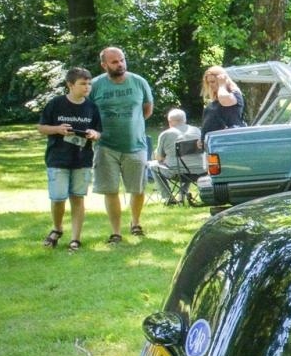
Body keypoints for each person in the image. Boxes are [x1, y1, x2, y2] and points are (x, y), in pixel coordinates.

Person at [87, 46, 153, 244]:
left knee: (138, 189)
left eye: (122, 60)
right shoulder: (97, 85)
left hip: (136, 144)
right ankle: (116, 232)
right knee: (110, 190)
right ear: (104, 64)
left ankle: (135, 222)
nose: (120, 64)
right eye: (114, 62)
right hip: (106, 145)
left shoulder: (139, 82)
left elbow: (147, 109)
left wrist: (134, 126)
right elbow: (88, 112)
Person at [36, 67, 103, 251]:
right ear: (70, 85)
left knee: (78, 198)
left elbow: (99, 131)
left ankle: (75, 239)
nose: (87, 87)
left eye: (89, 83)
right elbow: (41, 127)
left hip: (82, 159)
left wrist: (93, 134)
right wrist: (57, 129)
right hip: (58, 158)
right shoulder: (56, 104)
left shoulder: (91, 107)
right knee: (58, 198)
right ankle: (57, 229)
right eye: (83, 84)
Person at [147, 108, 204, 204]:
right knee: (186, 163)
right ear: (185, 120)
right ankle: (182, 196)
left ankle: (168, 198)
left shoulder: (165, 134)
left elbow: (159, 158)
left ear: (169, 122)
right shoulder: (197, 130)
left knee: (152, 165)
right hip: (199, 171)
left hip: (176, 173)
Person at [200, 65, 245, 136]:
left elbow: (224, 101)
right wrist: (202, 137)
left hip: (228, 138)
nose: (210, 85)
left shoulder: (235, 94)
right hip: (212, 140)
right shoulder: (215, 100)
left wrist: (222, 85)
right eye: (209, 82)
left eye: (213, 81)